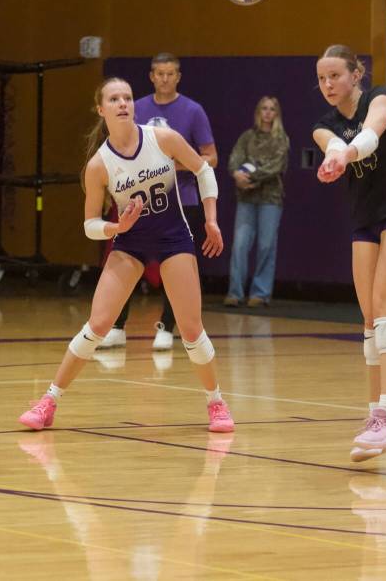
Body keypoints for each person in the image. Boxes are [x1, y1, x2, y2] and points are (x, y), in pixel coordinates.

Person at [18, 77, 234, 433]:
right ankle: (48, 402)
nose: (123, 103)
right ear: (101, 109)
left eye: (128, 98)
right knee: (98, 324)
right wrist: (116, 229)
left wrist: (211, 220)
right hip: (130, 242)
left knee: (192, 329)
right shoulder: (98, 165)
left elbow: (203, 169)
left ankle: (217, 403)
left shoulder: (161, 138)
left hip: (173, 238)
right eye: (114, 99)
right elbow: (89, 224)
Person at [312, 44, 386, 462]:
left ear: (355, 74)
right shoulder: (323, 124)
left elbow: (370, 133)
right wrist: (333, 157)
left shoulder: (381, 97)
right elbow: (330, 142)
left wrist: (347, 153)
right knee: (367, 317)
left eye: (335, 76)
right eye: (322, 78)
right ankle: (373, 416)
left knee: (385, 308)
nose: (328, 84)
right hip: (365, 220)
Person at [99, 52, 217, 351]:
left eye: (170, 73)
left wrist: (169, 164)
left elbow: (210, 158)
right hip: (136, 202)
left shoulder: (193, 110)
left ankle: (167, 325)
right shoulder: (133, 107)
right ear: (151, 76)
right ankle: (116, 325)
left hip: (182, 200)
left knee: (175, 264)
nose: (165, 78)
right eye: (159, 73)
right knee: (125, 259)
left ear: (178, 76)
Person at [224, 96, 290, 307]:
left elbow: (275, 167)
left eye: (272, 109)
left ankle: (260, 293)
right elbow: (234, 159)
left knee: (266, 246)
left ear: (277, 113)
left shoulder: (281, 139)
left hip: (270, 198)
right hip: (246, 197)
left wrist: (250, 177)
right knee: (240, 245)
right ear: (258, 112)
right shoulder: (247, 137)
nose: (268, 112)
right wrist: (237, 175)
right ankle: (235, 293)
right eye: (264, 108)